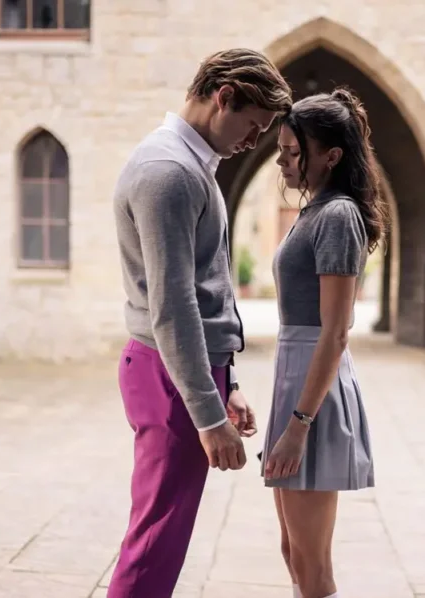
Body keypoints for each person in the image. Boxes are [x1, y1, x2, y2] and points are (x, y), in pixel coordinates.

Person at [109, 48, 292, 598]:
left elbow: (206, 284)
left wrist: (226, 382)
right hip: (168, 375)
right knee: (155, 538)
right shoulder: (168, 172)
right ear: (224, 97)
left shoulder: (190, 165)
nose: (251, 142)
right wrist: (209, 417)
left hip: (182, 371)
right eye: (253, 126)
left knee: (165, 533)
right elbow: (173, 307)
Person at [261, 87, 389, 598]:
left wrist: (298, 426)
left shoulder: (338, 216)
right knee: (294, 553)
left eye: (294, 152)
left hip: (312, 391)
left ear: (331, 156)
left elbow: (335, 333)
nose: (282, 161)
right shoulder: (317, 212)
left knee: (312, 565)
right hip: (296, 379)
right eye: (283, 150)